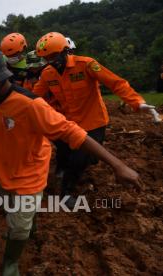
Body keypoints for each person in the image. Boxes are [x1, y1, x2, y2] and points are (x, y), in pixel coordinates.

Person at [0, 50, 141, 276]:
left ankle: (11, 262)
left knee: (17, 226)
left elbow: (71, 131)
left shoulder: (31, 104)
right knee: (13, 208)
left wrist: (118, 166)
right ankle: (28, 224)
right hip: (6, 168)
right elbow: (2, 116)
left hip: (30, 172)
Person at [32, 32, 157, 206]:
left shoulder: (86, 64)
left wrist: (137, 102)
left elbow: (116, 83)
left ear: (65, 51)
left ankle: (66, 193)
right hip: (69, 123)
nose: (51, 61)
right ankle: (70, 164)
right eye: (46, 58)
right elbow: (33, 97)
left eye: (53, 56)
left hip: (94, 122)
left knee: (78, 159)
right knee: (63, 147)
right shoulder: (47, 74)